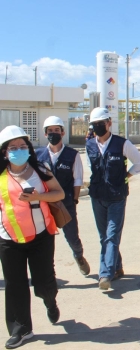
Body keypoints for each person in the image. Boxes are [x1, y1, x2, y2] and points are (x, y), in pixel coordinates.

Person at [0, 126, 65, 349]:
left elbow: (60, 193)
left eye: (22, 146)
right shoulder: (0, 175)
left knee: (43, 281)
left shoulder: (40, 169)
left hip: (41, 236)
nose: (18, 150)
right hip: (9, 239)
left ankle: (50, 300)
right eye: (12, 147)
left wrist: (39, 197)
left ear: (28, 148)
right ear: (4, 152)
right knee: (15, 285)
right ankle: (21, 330)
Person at [86, 107, 140, 290]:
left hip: (117, 196)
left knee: (111, 236)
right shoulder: (89, 145)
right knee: (104, 236)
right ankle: (117, 267)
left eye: (101, 124)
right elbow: (92, 167)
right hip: (97, 197)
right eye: (95, 125)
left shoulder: (122, 144)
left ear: (109, 123)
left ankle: (105, 274)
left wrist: (126, 176)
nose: (98, 127)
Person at [35, 116, 90, 275]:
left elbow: (77, 178)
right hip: (44, 204)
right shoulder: (38, 155)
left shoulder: (72, 155)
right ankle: (47, 270)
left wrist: (74, 199)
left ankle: (79, 256)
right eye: (50, 131)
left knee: (72, 236)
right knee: (44, 239)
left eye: (57, 130)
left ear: (63, 132)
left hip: (65, 203)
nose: (54, 133)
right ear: (45, 134)